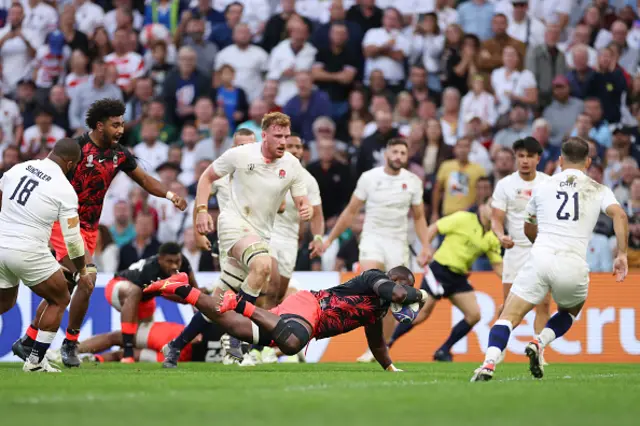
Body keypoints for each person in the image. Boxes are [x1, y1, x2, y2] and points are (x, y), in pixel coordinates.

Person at [12, 98, 188, 368]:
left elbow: (143, 179)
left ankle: (30, 339)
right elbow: (46, 175)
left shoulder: (119, 154)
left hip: (90, 229)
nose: (120, 129)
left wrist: (169, 194)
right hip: (64, 222)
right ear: (99, 125)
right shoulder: (76, 149)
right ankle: (69, 343)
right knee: (87, 280)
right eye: (114, 124)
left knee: (67, 288)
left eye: (121, 123)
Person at [472, 137, 629, 382]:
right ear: (588, 162)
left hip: (540, 258)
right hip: (573, 263)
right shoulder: (598, 189)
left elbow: (528, 228)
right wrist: (621, 254)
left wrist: (541, 244)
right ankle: (540, 341)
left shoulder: (542, 187)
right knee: (569, 311)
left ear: (559, 160)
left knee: (508, 317)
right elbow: (619, 215)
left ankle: (488, 363)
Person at [146, 266, 426, 372]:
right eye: (405, 285)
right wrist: (420, 294)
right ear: (395, 278)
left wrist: (390, 369)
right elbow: (399, 294)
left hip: (301, 319)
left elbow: (377, 345)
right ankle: (241, 303)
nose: (404, 295)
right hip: (310, 307)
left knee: (231, 325)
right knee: (292, 343)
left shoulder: (376, 310)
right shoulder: (375, 277)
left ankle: (180, 286)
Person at [322, 138, 430, 362]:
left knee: (395, 299)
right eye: (395, 151)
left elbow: (419, 217)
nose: (398, 156)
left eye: (403, 152)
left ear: (407, 156)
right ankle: (376, 344)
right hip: (372, 239)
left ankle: (381, 348)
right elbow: (351, 212)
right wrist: (329, 239)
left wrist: (426, 247)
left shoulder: (412, 181)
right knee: (373, 288)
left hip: (398, 243)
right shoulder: (369, 178)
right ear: (386, 154)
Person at [161, 127, 257, 368]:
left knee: (218, 301)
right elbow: (200, 196)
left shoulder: (262, 174)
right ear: (233, 149)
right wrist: (197, 230)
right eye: (241, 146)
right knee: (254, 281)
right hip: (232, 241)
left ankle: (176, 345)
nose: (246, 151)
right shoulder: (222, 173)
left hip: (257, 238)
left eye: (251, 146)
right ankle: (236, 343)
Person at [0, 138, 91, 372]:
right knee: (60, 298)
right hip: (27, 249)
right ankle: (35, 361)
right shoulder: (64, 190)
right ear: (70, 164)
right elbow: (73, 240)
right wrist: (82, 270)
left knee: (5, 302)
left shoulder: (18, 168)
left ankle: (33, 356)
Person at [386, 199, 502, 361]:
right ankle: (387, 343)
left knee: (474, 314)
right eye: (490, 206)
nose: (493, 211)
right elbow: (435, 227)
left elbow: (498, 266)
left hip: (459, 277)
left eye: (497, 208)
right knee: (422, 313)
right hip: (439, 271)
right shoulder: (463, 218)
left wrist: (514, 282)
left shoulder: (493, 237)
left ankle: (443, 350)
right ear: (482, 207)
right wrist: (426, 250)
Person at [490, 137, 551, 361]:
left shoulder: (548, 183)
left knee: (543, 302)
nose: (524, 161)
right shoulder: (505, 184)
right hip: (515, 250)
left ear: (538, 158)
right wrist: (500, 235)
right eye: (521, 156)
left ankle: (538, 351)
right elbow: (496, 219)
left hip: (541, 250)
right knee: (509, 305)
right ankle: (498, 350)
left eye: (529, 156)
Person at [104, 242, 198, 363]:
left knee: (141, 339)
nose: (175, 266)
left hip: (145, 299)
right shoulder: (151, 270)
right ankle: (127, 352)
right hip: (119, 287)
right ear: (160, 259)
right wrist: (193, 297)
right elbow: (177, 296)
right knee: (134, 292)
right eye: (169, 261)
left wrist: (197, 308)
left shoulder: (183, 261)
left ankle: (101, 357)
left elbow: (194, 289)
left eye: (177, 261)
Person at [267, 134, 324, 306]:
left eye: (298, 147)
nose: (295, 150)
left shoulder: (309, 181)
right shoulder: (267, 171)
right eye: (290, 146)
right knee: (271, 284)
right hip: (266, 234)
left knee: (278, 294)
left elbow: (317, 214)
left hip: (290, 240)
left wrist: (318, 238)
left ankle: (262, 329)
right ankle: (253, 331)